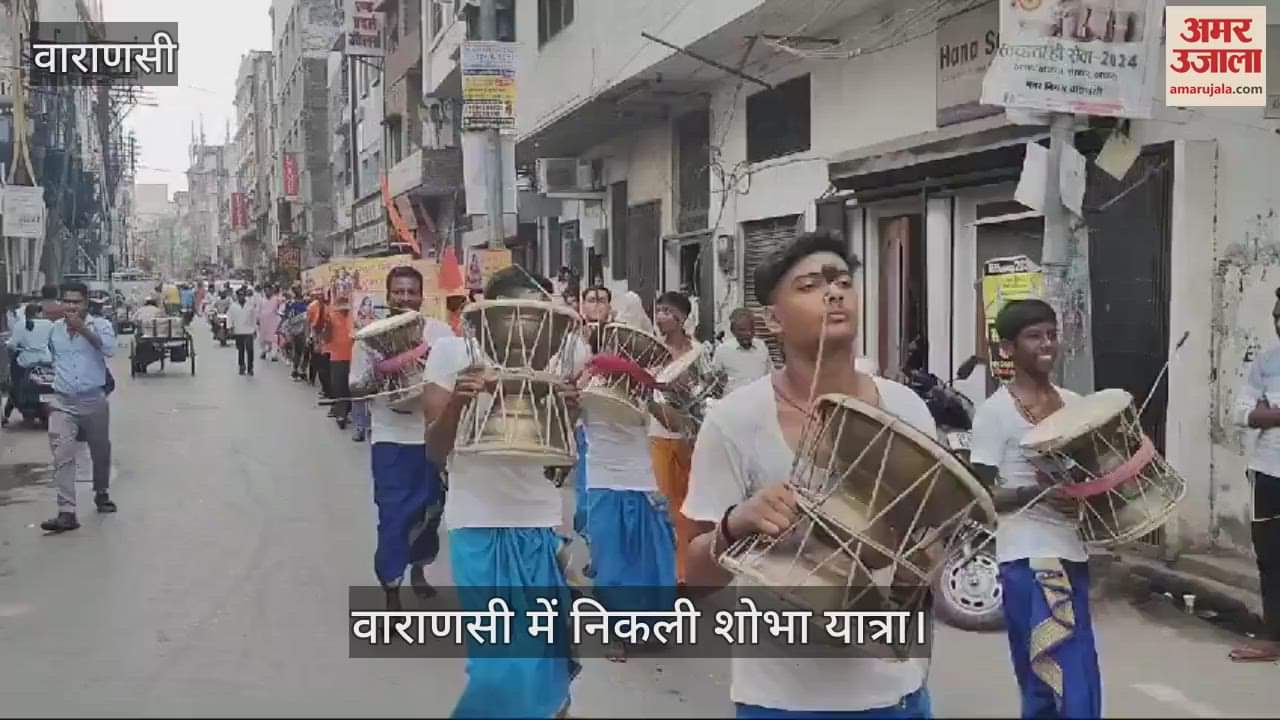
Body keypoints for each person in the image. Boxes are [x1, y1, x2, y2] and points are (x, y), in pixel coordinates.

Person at [683, 232, 936, 718]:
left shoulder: (907, 408)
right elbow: (694, 576)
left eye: (843, 281)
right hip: (782, 700)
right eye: (810, 285)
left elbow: (930, 535)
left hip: (897, 693)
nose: (835, 292)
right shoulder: (735, 420)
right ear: (773, 320)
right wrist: (738, 522)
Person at [423, 266, 582, 719]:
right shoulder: (452, 354)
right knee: (497, 669)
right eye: (514, 314)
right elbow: (435, 450)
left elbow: (558, 462)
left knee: (543, 663)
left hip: (540, 524)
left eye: (537, 316)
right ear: (489, 318)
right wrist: (458, 401)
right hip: (477, 524)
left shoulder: (555, 360)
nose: (526, 326)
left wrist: (568, 414)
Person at [969, 298, 1100, 719]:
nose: (1047, 344)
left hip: (1072, 552)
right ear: (1007, 349)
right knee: (1045, 675)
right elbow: (976, 498)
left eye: (1051, 334)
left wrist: (1084, 491)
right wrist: (1034, 494)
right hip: (1024, 556)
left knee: (1079, 670)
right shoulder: (995, 413)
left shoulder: (1075, 402)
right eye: (1033, 336)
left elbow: (1092, 474)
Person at [575, 284, 677, 662]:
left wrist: (650, 393)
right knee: (612, 564)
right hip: (603, 479)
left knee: (652, 560)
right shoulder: (586, 380)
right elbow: (568, 418)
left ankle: (651, 627)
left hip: (641, 479)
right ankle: (615, 635)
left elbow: (674, 422)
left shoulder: (643, 384)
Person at [349, 266, 455, 609]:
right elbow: (355, 386)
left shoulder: (439, 334)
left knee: (431, 511)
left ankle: (418, 570)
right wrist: (386, 375)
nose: (405, 298)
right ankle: (391, 587)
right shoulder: (370, 338)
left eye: (412, 292)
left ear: (422, 296)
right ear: (389, 294)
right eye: (399, 292)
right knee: (393, 514)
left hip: (432, 438)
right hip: (391, 438)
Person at [41, 282, 118, 534]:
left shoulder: (101, 325)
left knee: (100, 450)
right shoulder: (54, 331)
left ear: (86, 303)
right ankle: (66, 512)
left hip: (93, 399)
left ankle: (101, 491)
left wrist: (82, 329)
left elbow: (109, 349)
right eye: (67, 301)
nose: (71, 306)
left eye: (76, 302)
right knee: (62, 454)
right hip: (63, 401)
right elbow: (52, 357)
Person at [1229, 286, 1280, 663]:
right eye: (1277, 316)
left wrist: (1270, 412)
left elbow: (1259, 413)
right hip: (1269, 472)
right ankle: (1274, 638)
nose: (1278, 323)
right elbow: (1240, 412)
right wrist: (1263, 413)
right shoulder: (1267, 362)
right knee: (1271, 557)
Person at [648, 290, 702, 585]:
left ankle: (686, 570)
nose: (661, 317)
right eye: (658, 311)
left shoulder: (699, 352)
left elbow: (710, 392)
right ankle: (665, 570)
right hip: (656, 434)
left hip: (691, 436)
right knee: (663, 504)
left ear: (682, 318)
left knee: (689, 505)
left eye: (667, 311)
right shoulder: (650, 350)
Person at [3, 304, 54, 427]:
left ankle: (15, 397)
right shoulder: (49, 324)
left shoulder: (21, 325)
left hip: (26, 361)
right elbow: (53, 342)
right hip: (46, 359)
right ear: (38, 313)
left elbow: (12, 345)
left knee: (15, 380)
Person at [712, 307, 774, 396]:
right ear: (732, 330)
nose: (748, 333)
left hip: (759, 402)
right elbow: (715, 381)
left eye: (751, 329)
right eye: (742, 330)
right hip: (733, 404)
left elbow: (770, 375)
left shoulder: (762, 347)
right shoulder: (722, 350)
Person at [327, 299, 356, 430]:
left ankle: (344, 411)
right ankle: (341, 414)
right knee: (339, 386)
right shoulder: (331, 316)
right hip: (337, 357)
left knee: (350, 387)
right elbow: (326, 335)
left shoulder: (354, 316)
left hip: (354, 357)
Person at [308, 291, 333, 398]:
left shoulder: (331, 309)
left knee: (325, 368)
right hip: (320, 339)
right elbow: (312, 324)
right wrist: (314, 339)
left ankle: (327, 391)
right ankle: (319, 384)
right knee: (319, 364)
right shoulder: (313, 307)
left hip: (328, 343)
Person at [228, 288, 258, 376]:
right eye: (239, 295)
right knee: (240, 350)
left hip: (249, 330)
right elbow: (230, 317)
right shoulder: (233, 306)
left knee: (250, 350)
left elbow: (254, 318)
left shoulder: (250, 305)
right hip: (238, 330)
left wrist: (255, 329)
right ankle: (241, 366)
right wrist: (230, 328)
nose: (241, 297)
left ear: (245, 296)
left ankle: (250, 368)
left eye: (242, 295)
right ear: (237, 296)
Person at [257, 285, 283, 362]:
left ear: (272, 291)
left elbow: (281, 307)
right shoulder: (261, 300)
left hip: (273, 321)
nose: (267, 292)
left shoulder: (276, 299)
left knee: (274, 338)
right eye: (266, 291)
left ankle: (274, 355)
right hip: (263, 322)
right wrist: (257, 319)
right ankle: (264, 351)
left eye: (269, 290)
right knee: (262, 339)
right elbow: (258, 310)